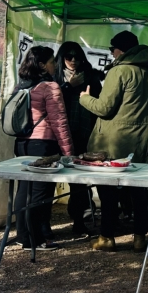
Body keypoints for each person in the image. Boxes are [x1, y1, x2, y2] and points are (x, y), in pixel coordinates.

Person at [79, 31, 148, 252]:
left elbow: (104, 108)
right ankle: (139, 238)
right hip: (145, 143)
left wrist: (85, 99)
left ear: (121, 51)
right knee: (139, 192)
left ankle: (107, 237)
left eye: (112, 50)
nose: (111, 54)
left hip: (115, 142)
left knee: (108, 192)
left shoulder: (118, 72)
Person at [12, 46, 74, 250]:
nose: (54, 65)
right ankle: (35, 239)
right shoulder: (50, 87)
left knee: (24, 189)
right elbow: (59, 122)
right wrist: (67, 152)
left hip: (22, 143)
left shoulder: (21, 85)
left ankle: (23, 235)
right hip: (43, 144)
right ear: (42, 65)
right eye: (51, 61)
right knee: (41, 193)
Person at [54, 41, 103, 238]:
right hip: (61, 132)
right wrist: (67, 86)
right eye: (68, 57)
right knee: (62, 176)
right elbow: (52, 102)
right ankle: (74, 218)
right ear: (61, 58)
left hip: (86, 131)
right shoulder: (55, 77)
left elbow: (99, 102)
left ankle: (79, 220)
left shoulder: (90, 75)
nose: (73, 60)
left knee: (80, 178)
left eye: (77, 56)